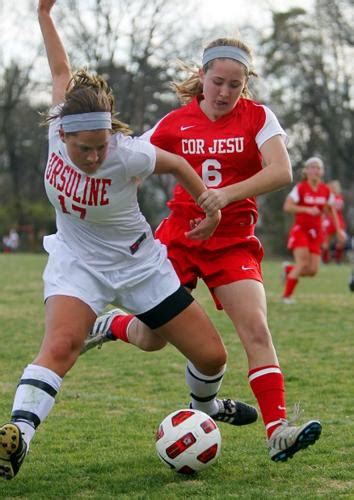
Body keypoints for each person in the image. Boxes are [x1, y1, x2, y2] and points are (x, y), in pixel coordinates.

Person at [0, 1, 257, 481]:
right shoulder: (58, 126)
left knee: (210, 356)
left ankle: (206, 406)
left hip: (141, 266)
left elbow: (180, 166)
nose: (95, 155)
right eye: (85, 148)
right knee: (61, 344)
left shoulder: (131, 154)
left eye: (101, 144)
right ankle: (16, 439)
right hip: (77, 262)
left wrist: (209, 204)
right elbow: (60, 67)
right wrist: (44, 15)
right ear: (64, 135)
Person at [82, 37, 322, 461]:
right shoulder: (176, 122)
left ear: (245, 84)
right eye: (218, 82)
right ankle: (112, 326)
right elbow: (132, 156)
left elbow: (281, 170)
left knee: (257, 329)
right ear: (202, 77)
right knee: (150, 338)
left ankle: (278, 430)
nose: (225, 92)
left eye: (235, 84)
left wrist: (225, 196)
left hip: (232, 243)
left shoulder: (259, 118)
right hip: (179, 240)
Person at [282, 157, 346, 303]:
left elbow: (331, 211)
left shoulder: (325, 190)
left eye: (318, 168)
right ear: (306, 171)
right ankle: (286, 296)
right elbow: (288, 206)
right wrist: (306, 209)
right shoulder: (300, 188)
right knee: (303, 262)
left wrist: (339, 230)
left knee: (312, 271)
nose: (315, 170)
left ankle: (288, 270)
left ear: (322, 172)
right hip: (301, 230)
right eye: (312, 167)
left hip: (316, 233)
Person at [321, 180, 347, 264]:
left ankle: (337, 259)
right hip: (328, 221)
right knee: (325, 242)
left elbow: (338, 207)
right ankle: (325, 260)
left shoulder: (339, 197)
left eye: (335, 187)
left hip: (338, 221)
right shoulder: (326, 197)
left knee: (342, 240)